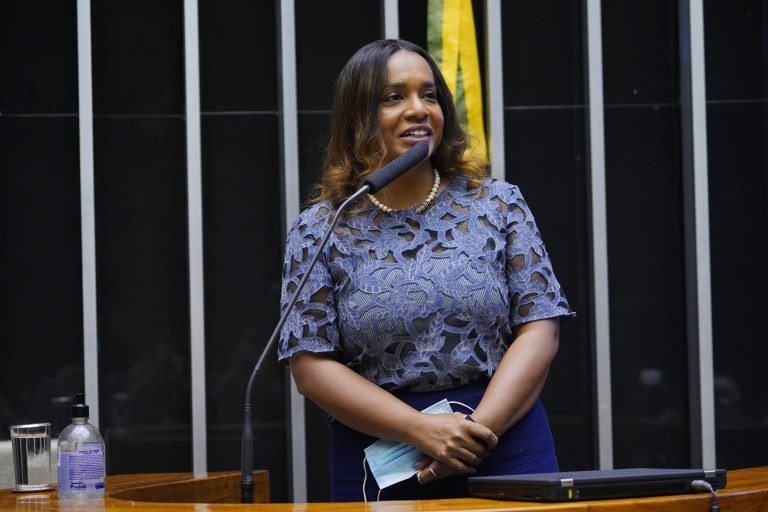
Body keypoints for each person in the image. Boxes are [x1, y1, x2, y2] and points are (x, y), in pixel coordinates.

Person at [278, 39, 574, 502]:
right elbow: (311, 366)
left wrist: (473, 433)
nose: (418, 109)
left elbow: (540, 328)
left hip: (503, 437)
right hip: (382, 452)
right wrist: (422, 431)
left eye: (429, 94)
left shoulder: (497, 203)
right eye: (394, 97)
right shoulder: (323, 225)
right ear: (359, 117)